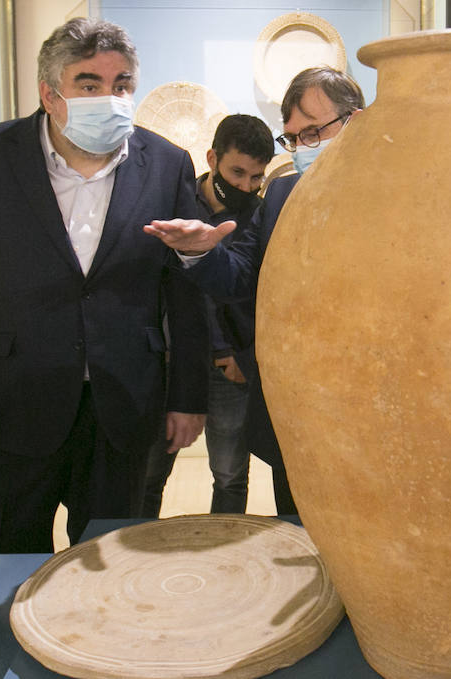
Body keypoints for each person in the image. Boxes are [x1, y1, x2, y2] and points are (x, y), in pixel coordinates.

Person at [0, 18, 209, 553]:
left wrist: (189, 397)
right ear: (50, 95)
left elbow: (186, 293)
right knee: (9, 560)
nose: (111, 97)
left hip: (124, 404)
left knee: (114, 563)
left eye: (122, 83)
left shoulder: (167, 165)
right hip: (14, 401)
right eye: (89, 84)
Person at [143, 67, 365, 515]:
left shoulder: (400, 196)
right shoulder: (282, 196)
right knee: (295, 520)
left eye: (314, 132)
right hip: (294, 410)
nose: (303, 147)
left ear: (354, 121)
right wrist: (202, 252)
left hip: (365, 406)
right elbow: (241, 275)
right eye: (295, 138)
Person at [141, 114, 275, 517]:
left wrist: (243, 357)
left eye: (256, 177)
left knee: (231, 474)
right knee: (149, 473)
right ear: (212, 157)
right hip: (171, 362)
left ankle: (227, 558)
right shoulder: (173, 200)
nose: (245, 186)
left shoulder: (260, 215)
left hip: (227, 367)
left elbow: (255, 294)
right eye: (237, 172)